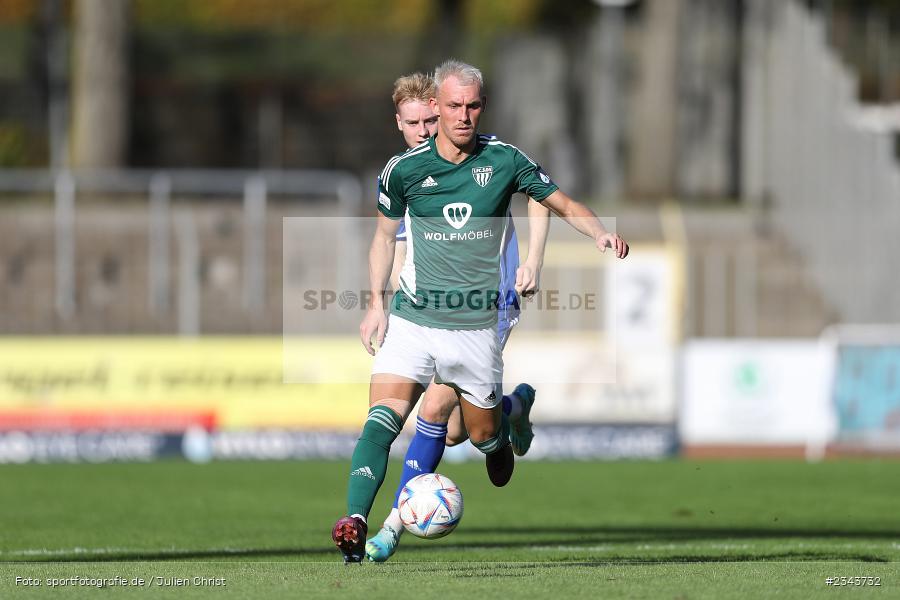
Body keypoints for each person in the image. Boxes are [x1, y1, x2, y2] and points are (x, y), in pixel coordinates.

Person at [332, 59, 628, 563]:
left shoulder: (503, 159)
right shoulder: (402, 172)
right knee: (385, 418)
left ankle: (507, 417)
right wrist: (376, 304)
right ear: (427, 112)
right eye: (447, 109)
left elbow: (552, 199)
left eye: (469, 107)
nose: (457, 118)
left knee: (469, 431)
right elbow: (384, 240)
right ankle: (361, 523)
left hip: (481, 317)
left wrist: (587, 235)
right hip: (414, 317)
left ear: (478, 107)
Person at [365, 73, 552, 562]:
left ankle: (390, 528)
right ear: (400, 125)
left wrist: (532, 260)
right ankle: (512, 408)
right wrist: (384, 307)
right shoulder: (409, 176)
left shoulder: (480, 159)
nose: (426, 130)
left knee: (431, 413)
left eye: (433, 119)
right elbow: (398, 251)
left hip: (487, 307)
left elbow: (539, 192)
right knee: (455, 432)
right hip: (430, 314)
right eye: (415, 123)